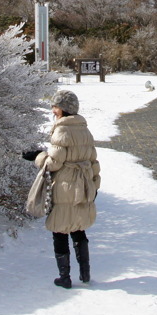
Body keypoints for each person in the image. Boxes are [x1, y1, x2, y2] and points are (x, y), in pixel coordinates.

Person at [22, 90, 101, 288]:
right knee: (78, 227)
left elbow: (54, 163)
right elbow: (93, 161)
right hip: (83, 185)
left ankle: (64, 277)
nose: (52, 110)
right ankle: (85, 272)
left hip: (65, 185)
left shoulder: (62, 130)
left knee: (59, 229)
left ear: (63, 109)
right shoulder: (85, 130)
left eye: (55, 106)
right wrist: (94, 184)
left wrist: (38, 156)